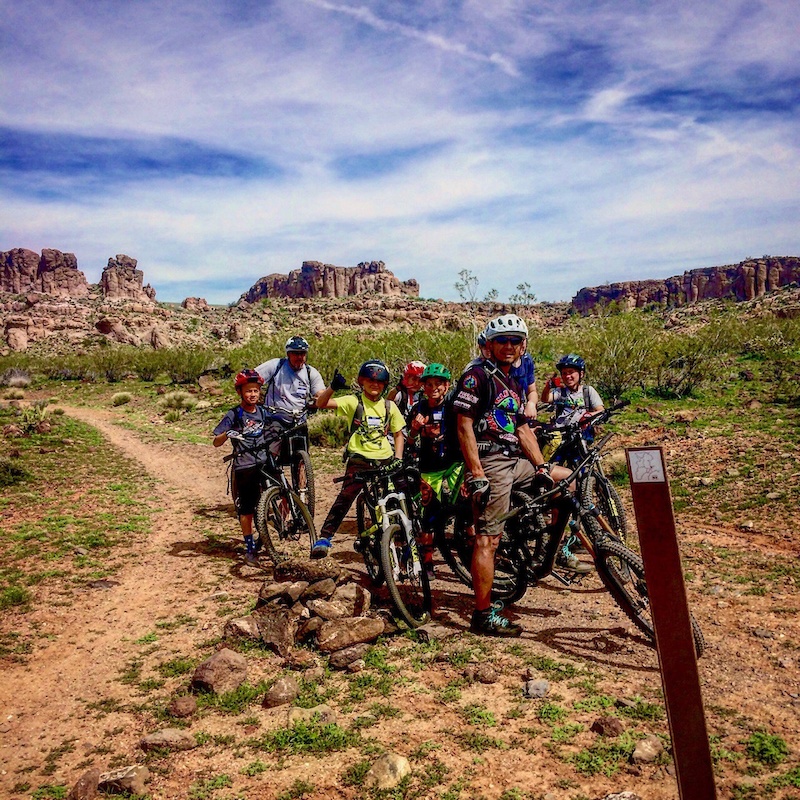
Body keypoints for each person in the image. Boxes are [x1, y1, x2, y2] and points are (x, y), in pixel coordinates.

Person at [452, 314, 574, 636]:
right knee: (488, 539)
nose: (509, 346)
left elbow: (522, 428)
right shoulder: (477, 376)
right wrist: (476, 471)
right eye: (502, 340)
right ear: (490, 345)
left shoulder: (515, 382)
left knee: (568, 481)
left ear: (523, 346)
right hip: (490, 461)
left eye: (515, 341)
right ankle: (482, 615)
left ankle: (545, 552)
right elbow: (463, 424)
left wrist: (542, 465)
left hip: (515, 458)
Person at [312, 360, 406, 559]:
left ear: (385, 384)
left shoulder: (389, 406)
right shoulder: (353, 402)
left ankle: (398, 541)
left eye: (380, 382)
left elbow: (399, 434)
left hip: (385, 461)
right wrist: (332, 388)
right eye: (370, 380)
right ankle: (325, 537)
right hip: (359, 460)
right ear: (362, 381)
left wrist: (398, 458)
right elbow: (321, 404)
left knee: (395, 499)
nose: (375, 385)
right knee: (345, 497)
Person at [212, 369, 271, 564]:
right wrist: (227, 434)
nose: (252, 394)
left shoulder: (263, 411)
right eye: (248, 391)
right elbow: (216, 442)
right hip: (245, 465)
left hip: (264, 461)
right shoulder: (234, 413)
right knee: (247, 509)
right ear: (240, 392)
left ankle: (268, 531)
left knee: (279, 494)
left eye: (255, 391)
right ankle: (249, 547)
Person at [407, 363, 459, 578]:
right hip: (430, 466)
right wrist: (415, 430)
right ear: (423, 387)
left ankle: (469, 552)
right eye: (429, 384)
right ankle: (427, 561)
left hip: (455, 462)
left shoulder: (454, 407)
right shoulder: (418, 408)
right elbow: (409, 442)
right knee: (429, 513)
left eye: (439, 384)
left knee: (466, 506)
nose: (434, 388)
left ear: (446, 386)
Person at [541, 354, 604, 426]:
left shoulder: (588, 391)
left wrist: (589, 416)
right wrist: (548, 387)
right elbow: (545, 399)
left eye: (571, 372)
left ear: (581, 374)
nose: (567, 376)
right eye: (564, 373)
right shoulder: (560, 391)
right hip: (560, 432)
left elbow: (601, 410)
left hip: (581, 432)